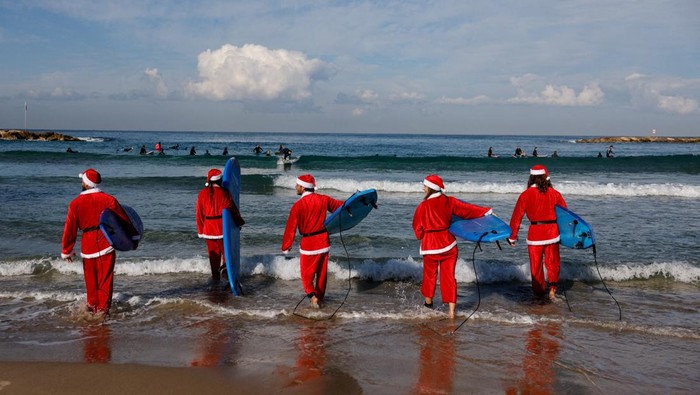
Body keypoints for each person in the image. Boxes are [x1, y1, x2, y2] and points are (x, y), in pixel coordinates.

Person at [412, 175, 493, 318]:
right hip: (449, 244)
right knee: (448, 277)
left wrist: (422, 234)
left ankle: (428, 305)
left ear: (430, 188)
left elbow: (418, 231)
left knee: (429, 276)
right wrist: (486, 211)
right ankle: (451, 311)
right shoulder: (450, 201)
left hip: (430, 246)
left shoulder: (422, 207)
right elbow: (468, 210)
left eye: (424, 186)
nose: (422, 188)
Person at [61, 168, 135, 318]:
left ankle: (92, 307)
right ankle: (102, 311)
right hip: (105, 243)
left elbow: (70, 228)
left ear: (87, 184)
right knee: (105, 279)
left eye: (83, 180)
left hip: (87, 246)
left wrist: (67, 250)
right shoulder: (109, 200)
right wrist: (132, 238)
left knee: (91, 280)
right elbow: (124, 220)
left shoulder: (75, 204)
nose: (81, 182)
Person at [281, 174, 344, 308]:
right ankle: (319, 298)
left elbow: (291, 226)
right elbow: (340, 207)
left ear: (303, 188)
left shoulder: (298, 205)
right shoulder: (324, 199)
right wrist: (360, 201)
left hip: (309, 244)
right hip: (324, 242)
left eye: (297, 185)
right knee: (321, 275)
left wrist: (287, 245)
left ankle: (312, 297)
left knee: (306, 274)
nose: (295, 187)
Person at [507, 165, 567, 300]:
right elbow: (565, 215)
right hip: (552, 232)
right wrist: (568, 235)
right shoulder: (555, 193)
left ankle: (539, 293)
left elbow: (517, 216)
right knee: (553, 262)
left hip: (535, 234)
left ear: (531, 177)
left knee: (536, 265)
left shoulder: (525, 195)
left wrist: (512, 236)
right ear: (545, 177)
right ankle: (552, 289)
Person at [196, 169, 245, 281]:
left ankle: (215, 279)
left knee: (213, 257)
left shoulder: (202, 193)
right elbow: (233, 211)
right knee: (227, 254)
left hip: (208, 230)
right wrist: (239, 222)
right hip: (221, 229)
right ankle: (227, 275)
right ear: (220, 180)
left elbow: (199, 214)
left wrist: (201, 231)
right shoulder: (224, 193)